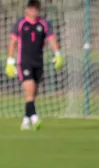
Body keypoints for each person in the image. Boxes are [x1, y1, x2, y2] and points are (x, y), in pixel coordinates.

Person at [5, 0, 63, 130]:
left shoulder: (44, 24)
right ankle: (35, 117)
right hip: (24, 62)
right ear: (27, 9)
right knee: (29, 89)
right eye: (31, 8)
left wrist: (57, 53)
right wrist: (10, 61)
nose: (33, 11)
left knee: (32, 93)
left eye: (36, 8)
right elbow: (13, 42)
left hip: (38, 62)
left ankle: (26, 121)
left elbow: (51, 39)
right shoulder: (20, 24)